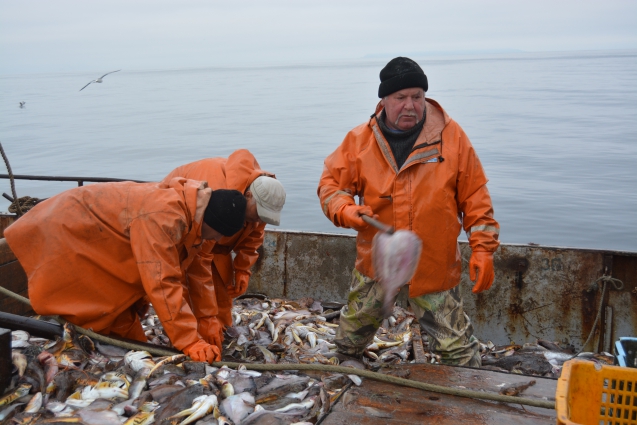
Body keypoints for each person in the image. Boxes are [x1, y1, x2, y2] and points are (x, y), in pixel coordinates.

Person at [317, 57, 500, 367]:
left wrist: (483, 249)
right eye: (400, 98)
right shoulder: (359, 141)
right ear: (384, 100)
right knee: (347, 345)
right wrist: (345, 210)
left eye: (417, 96)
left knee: (458, 353)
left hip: (434, 265)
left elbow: (475, 198)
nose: (410, 105)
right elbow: (330, 186)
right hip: (377, 263)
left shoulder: (452, 138)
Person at [3, 177, 247, 364]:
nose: (216, 239)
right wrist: (189, 340)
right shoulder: (165, 217)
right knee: (88, 306)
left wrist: (205, 317)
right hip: (69, 228)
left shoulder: (193, 211)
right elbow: (161, 278)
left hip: (99, 234)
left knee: (134, 345)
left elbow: (176, 265)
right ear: (210, 222)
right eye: (218, 234)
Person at [162, 149, 285, 349]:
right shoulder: (216, 197)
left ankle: (217, 333)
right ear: (248, 196)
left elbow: (255, 232)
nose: (260, 219)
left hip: (215, 244)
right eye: (259, 214)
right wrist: (207, 317)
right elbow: (199, 262)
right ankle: (188, 340)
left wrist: (243, 268)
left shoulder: (263, 198)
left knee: (222, 307)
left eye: (265, 217)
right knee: (185, 290)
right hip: (184, 230)